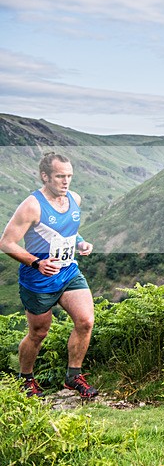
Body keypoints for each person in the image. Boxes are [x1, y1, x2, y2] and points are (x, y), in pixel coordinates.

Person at [0, 153, 98, 398]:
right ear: (45, 176)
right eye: (60, 176)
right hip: (39, 278)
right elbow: (7, 243)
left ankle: (73, 377)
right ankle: (26, 379)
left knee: (85, 321)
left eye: (69, 176)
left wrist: (81, 243)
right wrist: (37, 263)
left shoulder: (74, 198)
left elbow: (66, 231)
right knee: (38, 333)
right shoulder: (32, 205)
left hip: (68, 272)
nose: (66, 182)